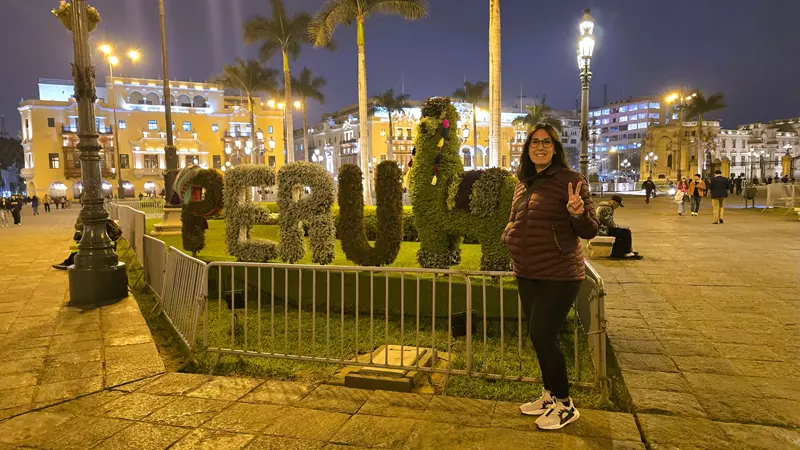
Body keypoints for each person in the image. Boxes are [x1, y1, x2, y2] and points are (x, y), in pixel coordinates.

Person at [502, 124, 598, 430]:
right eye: (534, 142)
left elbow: (590, 229)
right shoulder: (523, 182)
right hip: (527, 271)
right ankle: (548, 396)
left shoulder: (571, 181)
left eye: (546, 142)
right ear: (528, 148)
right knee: (539, 336)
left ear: (555, 148)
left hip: (560, 272)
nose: (540, 147)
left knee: (543, 335)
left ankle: (565, 404)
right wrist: (510, 234)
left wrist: (577, 212)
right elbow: (516, 218)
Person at [52, 215, 122, 270]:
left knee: (81, 246)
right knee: (79, 245)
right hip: (105, 243)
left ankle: (69, 262)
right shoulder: (101, 222)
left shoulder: (98, 225)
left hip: (105, 245)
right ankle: (69, 261)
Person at [596, 195, 642, 260]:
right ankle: (626, 252)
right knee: (626, 232)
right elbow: (610, 224)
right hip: (602, 230)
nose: (617, 207)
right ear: (614, 202)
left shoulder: (605, 207)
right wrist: (621, 227)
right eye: (617, 205)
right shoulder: (607, 208)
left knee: (621, 232)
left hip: (602, 228)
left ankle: (619, 252)